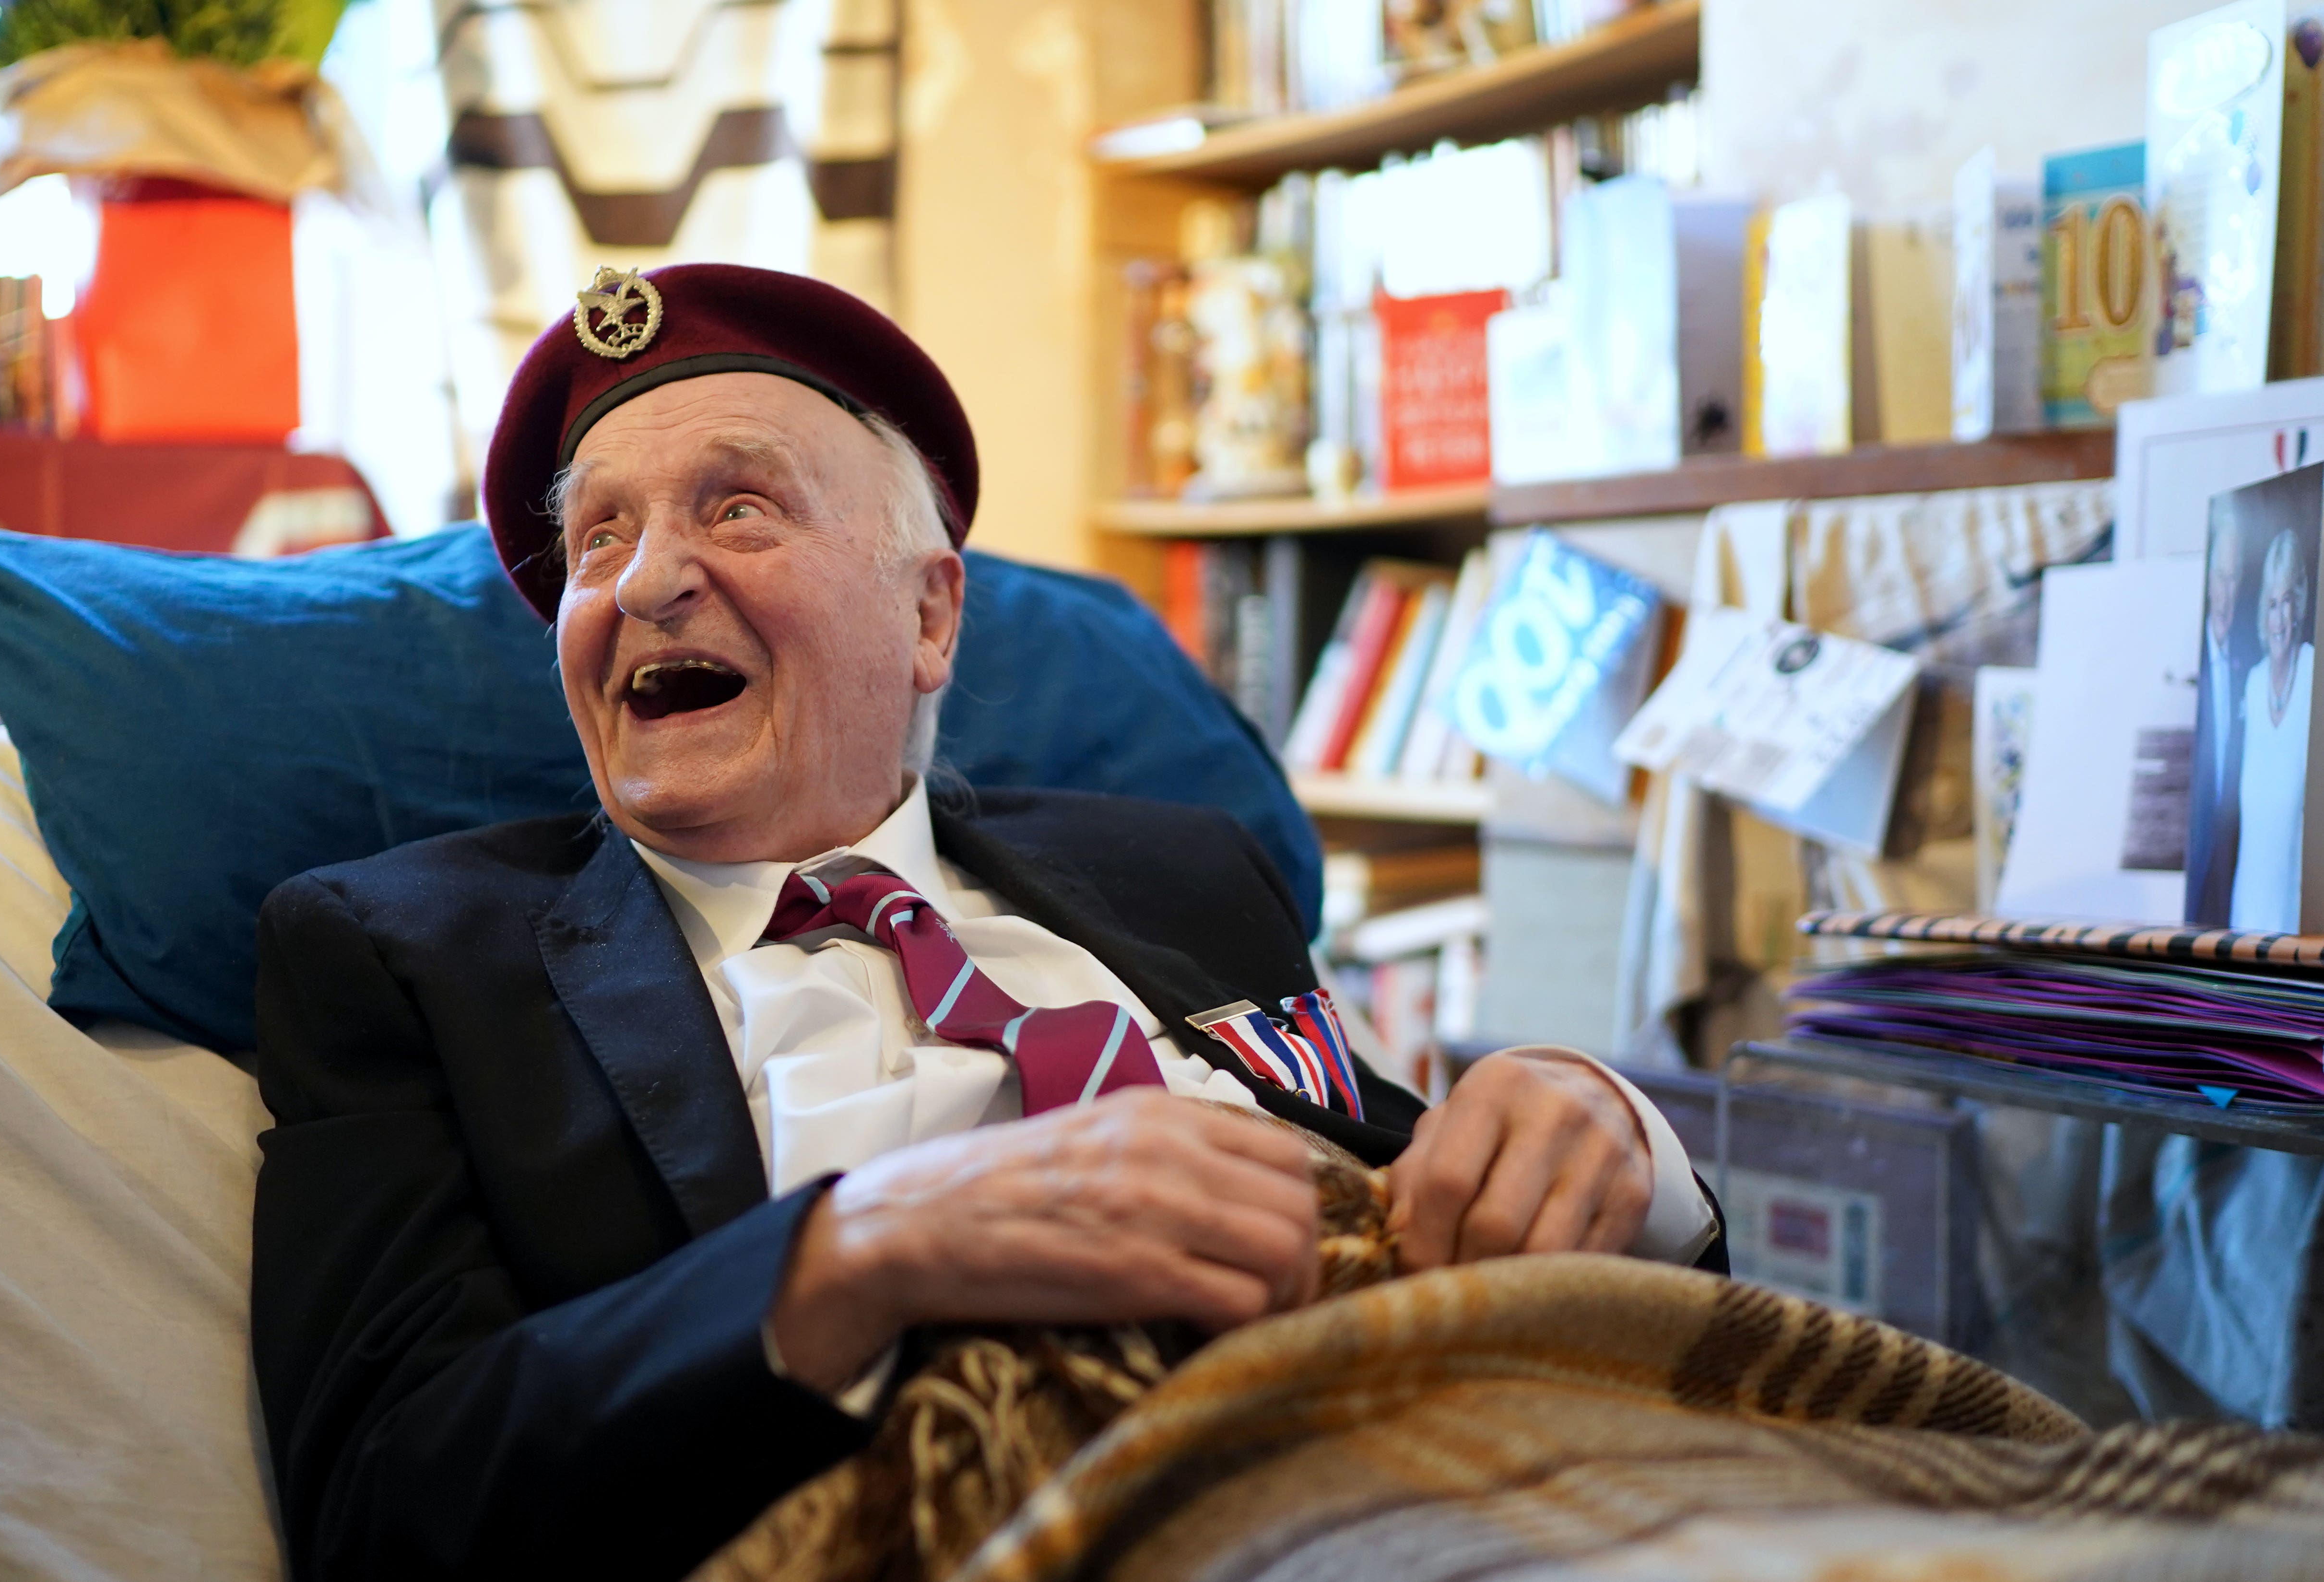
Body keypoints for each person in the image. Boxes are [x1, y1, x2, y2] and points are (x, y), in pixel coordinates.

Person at [248, 264, 1723, 1582]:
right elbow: (385, 1507)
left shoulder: (1179, 866)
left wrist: (1595, 1130)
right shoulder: (406, 953)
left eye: (736, 507)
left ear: (929, 616)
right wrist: (864, 1246)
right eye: (597, 541)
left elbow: (1409, 1179)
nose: (642, 580)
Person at [2230, 526, 2313, 932]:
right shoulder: (2254, 682)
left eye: (2286, 603)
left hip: (2298, 920)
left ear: (2299, 606)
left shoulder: (2315, 672)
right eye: (2270, 604)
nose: (2278, 619)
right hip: (2246, 912)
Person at [2186, 510, 2246, 926]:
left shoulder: (2250, 666)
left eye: (2234, 578)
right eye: (2219, 576)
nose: (2226, 592)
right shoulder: (2186, 660)